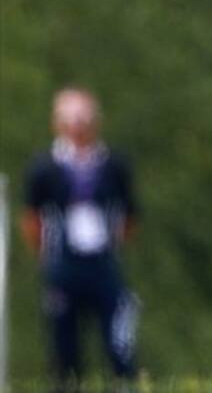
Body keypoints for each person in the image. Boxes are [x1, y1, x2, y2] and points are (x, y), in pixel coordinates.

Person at [21, 88, 139, 386]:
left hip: (103, 262)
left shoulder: (113, 164)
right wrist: (47, 255)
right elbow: (31, 218)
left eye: (84, 118)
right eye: (71, 119)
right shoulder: (44, 167)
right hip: (63, 264)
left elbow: (129, 214)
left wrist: (114, 244)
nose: (78, 126)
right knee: (64, 346)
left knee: (118, 343)